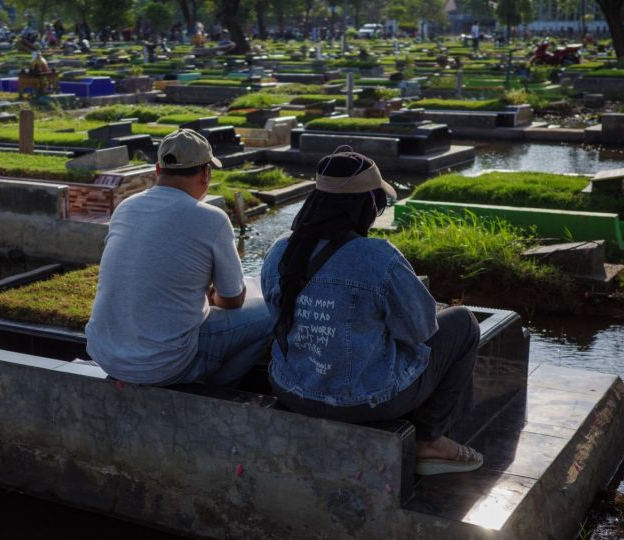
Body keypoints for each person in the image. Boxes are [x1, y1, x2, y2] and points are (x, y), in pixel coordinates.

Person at [260, 150, 483, 476]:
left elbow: (278, 314)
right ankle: (430, 440)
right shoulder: (377, 257)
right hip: (364, 401)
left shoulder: (280, 249)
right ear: (366, 205)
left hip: (289, 389)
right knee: (463, 322)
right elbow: (422, 330)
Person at [86, 129, 272, 386]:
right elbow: (232, 300)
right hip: (165, 364)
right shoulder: (211, 218)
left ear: (157, 169)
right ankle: (217, 389)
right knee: (273, 310)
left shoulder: (126, 207)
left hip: (107, 355)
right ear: (206, 174)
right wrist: (214, 297)